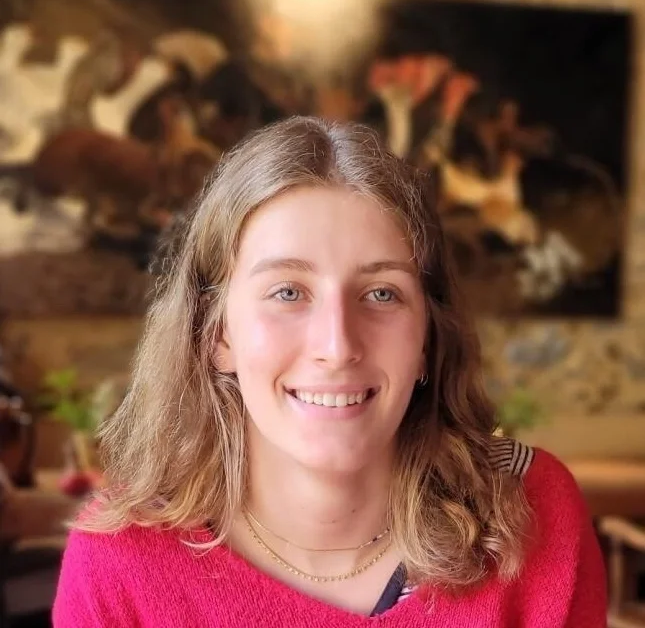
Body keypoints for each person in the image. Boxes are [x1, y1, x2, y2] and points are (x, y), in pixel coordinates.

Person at [53, 116, 606, 627]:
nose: (337, 347)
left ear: (427, 338)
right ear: (217, 334)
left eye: (382, 293)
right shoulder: (118, 563)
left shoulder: (532, 512)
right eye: (287, 292)